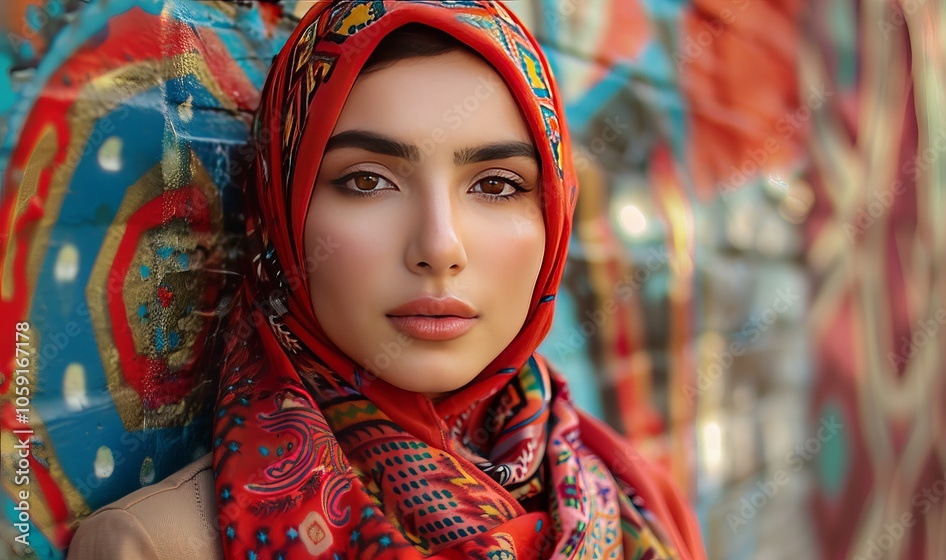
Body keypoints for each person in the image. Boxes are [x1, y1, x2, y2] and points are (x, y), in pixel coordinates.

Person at [68, 2, 706, 559]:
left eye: (496, 185)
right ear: (281, 214)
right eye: (367, 180)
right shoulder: (158, 547)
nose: (439, 247)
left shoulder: (633, 503)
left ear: (554, 220)